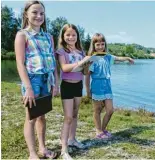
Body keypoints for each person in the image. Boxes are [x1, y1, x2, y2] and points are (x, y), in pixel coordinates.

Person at [14, 1, 59, 159]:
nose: (39, 16)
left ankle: (42, 148)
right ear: (26, 13)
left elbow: (53, 61)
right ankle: (32, 154)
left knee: (42, 115)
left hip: (47, 79)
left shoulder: (49, 36)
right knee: (31, 117)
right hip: (32, 79)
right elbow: (20, 63)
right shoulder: (22, 35)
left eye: (42, 13)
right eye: (35, 12)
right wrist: (28, 88)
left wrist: (55, 82)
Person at [85, 33, 134, 139]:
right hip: (97, 85)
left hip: (107, 85)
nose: (100, 47)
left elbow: (118, 58)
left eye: (102, 44)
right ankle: (98, 130)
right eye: (98, 44)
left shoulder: (108, 57)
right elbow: (87, 76)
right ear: (93, 45)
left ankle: (103, 129)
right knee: (97, 109)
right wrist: (88, 90)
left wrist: (128, 58)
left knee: (110, 110)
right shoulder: (91, 59)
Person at [56, 24, 89, 159]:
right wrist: (81, 63)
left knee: (75, 114)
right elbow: (64, 68)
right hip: (67, 86)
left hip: (78, 85)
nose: (71, 37)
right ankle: (64, 149)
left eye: (74, 35)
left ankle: (72, 139)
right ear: (63, 36)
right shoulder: (61, 51)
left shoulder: (81, 52)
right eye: (68, 35)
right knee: (68, 117)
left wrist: (88, 64)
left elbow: (85, 72)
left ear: (77, 36)